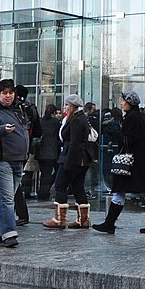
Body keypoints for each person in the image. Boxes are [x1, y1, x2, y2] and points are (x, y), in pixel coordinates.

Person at [91, 90, 145, 235]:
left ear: (130, 103)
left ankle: (109, 224)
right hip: (140, 161)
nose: (122, 103)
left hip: (132, 162)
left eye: (124, 101)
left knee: (120, 191)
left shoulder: (132, 118)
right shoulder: (139, 116)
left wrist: (115, 133)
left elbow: (129, 140)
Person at [0, 80, 32, 248]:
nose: (8, 96)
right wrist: (1, 130)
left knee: (4, 198)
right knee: (7, 198)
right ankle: (9, 233)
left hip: (18, 159)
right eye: (4, 93)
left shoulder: (20, 108)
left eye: (10, 92)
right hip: (0, 159)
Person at [43, 94, 93, 229]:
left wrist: (67, 163)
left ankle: (60, 219)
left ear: (71, 106)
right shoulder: (81, 118)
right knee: (78, 187)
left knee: (60, 185)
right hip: (82, 159)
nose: (65, 107)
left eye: (66, 105)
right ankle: (83, 220)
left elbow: (74, 143)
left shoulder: (76, 120)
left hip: (73, 159)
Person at [12, 85, 41, 225]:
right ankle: (20, 213)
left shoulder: (16, 108)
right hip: (25, 147)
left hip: (14, 148)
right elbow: (38, 131)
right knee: (15, 181)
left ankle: (20, 213)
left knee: (13, 182)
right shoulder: (32, 108)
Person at [36, 103, 62, 200]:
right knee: (54, 171)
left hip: (41, 151)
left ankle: (43, 190)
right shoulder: (55, 122)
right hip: (52, 151)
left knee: (44, 173)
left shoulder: (40, 121)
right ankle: (44, 191)